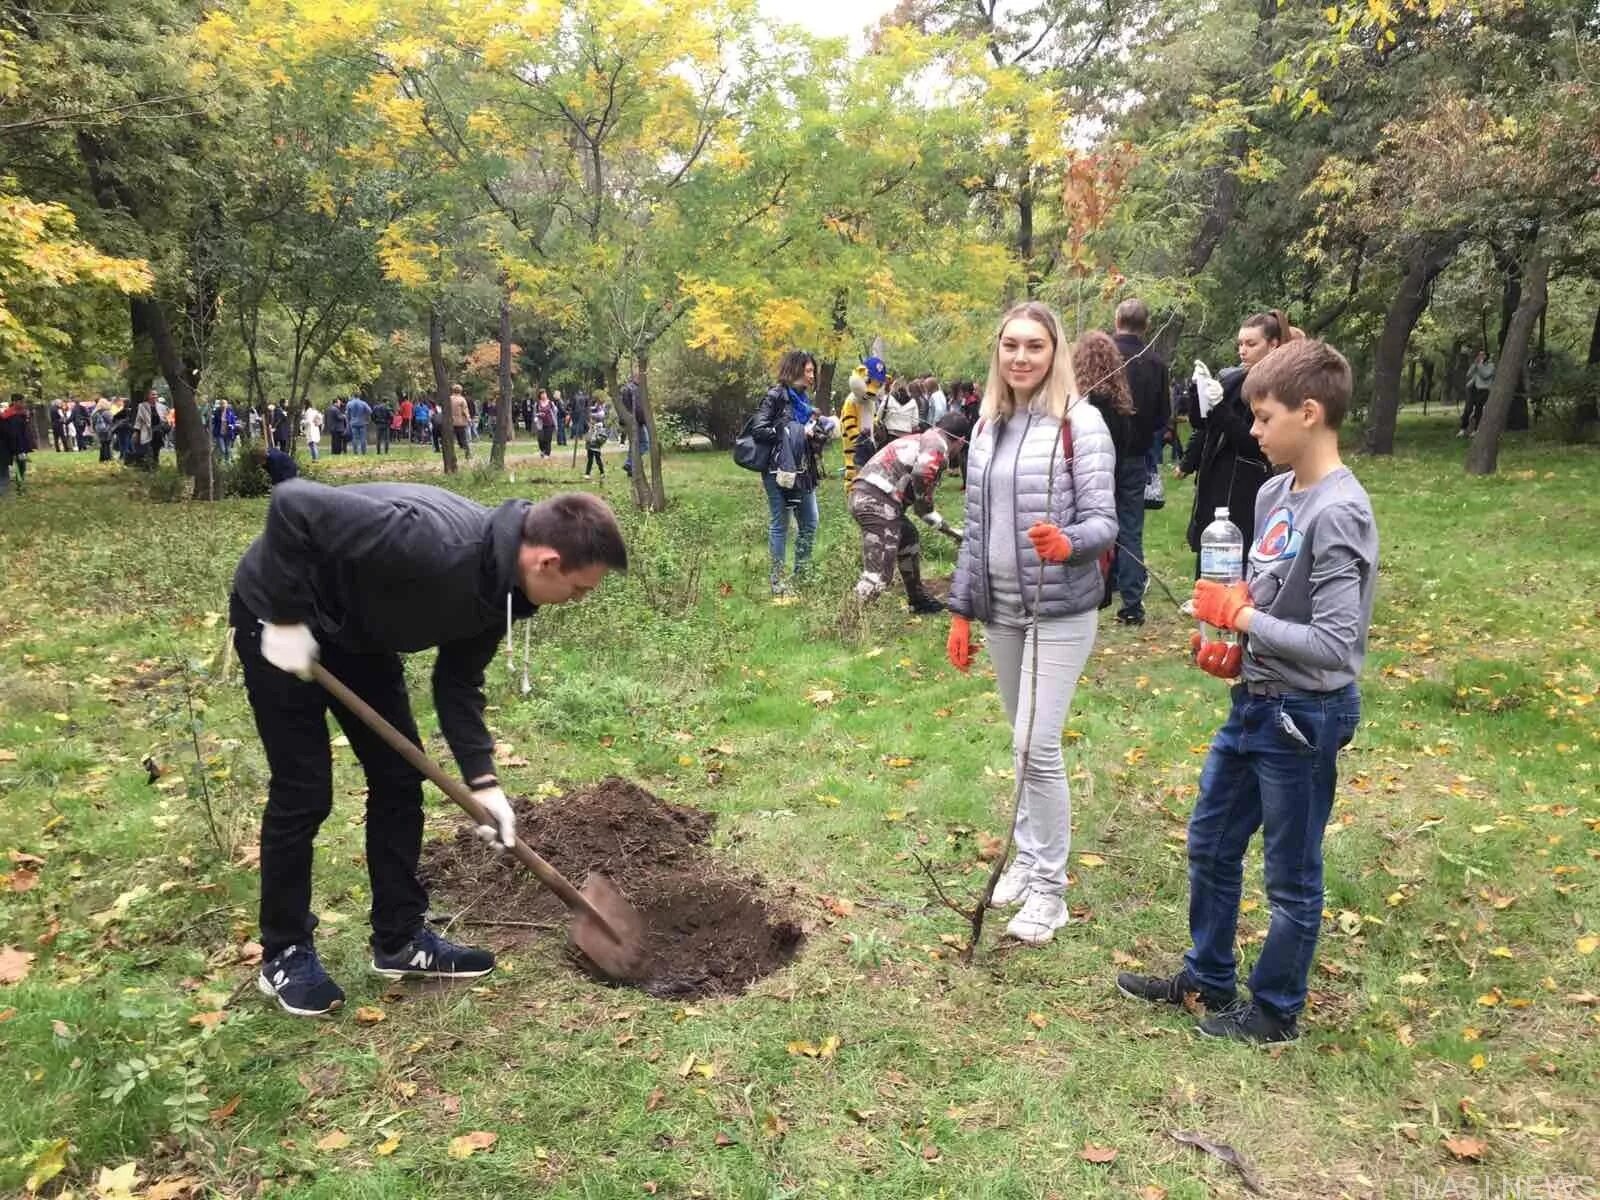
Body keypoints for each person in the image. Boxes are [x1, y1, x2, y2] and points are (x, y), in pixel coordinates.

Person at [232, 484, 628, 1017]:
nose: (577, 601)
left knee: (398, 779)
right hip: (279, 612)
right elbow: (292, 504)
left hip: (358, 634)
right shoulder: (428, 540)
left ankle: (398, 939)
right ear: (547, 561)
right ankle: (285, 952)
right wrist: (284, 618)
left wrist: (484, 783)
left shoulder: (504, 590)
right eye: (579, 590)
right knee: (304, 791)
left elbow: (457, 683)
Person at [1117, 338, 1375, 1045]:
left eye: (1263, 418)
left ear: (1311, 412)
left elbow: (1335, 644)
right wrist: (1231, 644)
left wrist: (1247, 618)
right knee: (1210, 841)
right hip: (1255, 701)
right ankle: (1207, 977)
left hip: (1305, 714)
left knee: (1290, 874)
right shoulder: (1272, 491)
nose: (1252, 431)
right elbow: (1262, 596)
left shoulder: (1341, 511)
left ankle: (1275, 1010)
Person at [944, 301, 1117, 946]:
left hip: (1060, 609)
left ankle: (1050, 888)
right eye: (1011, 345)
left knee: (1034, 745)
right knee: (1019, 743)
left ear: (1055, 352)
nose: (1021, 357)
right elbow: (976, 530)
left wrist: (1066, 542)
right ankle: (1024, 857)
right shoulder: (988, 425)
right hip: (1004, 613)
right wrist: (962, 610)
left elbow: (1106, 522)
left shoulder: (1081, 423)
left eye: (1035, 346)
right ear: (998, 352)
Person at [1176, 310, 1293, 578]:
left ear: (1273, 344)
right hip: (1216, 477)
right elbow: (1202, 424)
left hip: (1248, 484)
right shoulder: (1232, 378)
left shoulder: (1280, 387)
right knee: (1209, 554)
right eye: (1240, 344)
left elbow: (1254, 442)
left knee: (1237, 562)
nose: (1243, 351)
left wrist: (1218, 409)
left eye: (1251, 344)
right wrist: (1199, 392)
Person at [849, 410, 971, 614]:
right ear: (961, 440)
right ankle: (849, 620)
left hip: (869, 496)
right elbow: (922, 476)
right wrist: (949, 528)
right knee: (878, 575)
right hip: (877, 503)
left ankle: (918, 599)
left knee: (909, 537)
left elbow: (922, 510)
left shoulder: (925, 437)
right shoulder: (938, 446)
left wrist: (949, 530)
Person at [750, 350, 833, 596]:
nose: (812, 376)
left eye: (813, 371)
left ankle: (802, 576)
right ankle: (777, 583)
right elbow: (759, 429)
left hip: (803, 470)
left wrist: (819, 430)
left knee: (810, 521)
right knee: (781, 524)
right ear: (795, 370)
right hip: (778, 470)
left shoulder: (803, 401)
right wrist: (795, 431)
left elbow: (804, 435)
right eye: (808, 370)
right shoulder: (776, 396)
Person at [1109, 298, 1171, 625]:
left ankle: (1099, 590)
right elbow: (1163, 415)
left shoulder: (1102, 358)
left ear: (1117, 319)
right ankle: (1131, 601)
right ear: (1145, 325)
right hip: (1135, 455)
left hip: (1101, 452)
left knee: (1093, 519)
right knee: (1130, 526)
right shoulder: (1155, 364)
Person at [839, 356, 888, 486]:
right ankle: (851, 497)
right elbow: (848, 424)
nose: (873, 390)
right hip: (856, 446)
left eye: (878, 385)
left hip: (869, 444)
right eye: (868, 382)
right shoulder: (851, 401)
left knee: (868, 476)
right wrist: (860, 441)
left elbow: (871, 418)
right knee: (853, 473)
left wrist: (877, 424)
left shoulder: (870, 403)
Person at [0, 393, 35, 497]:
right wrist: (18, 450)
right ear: (15, 402)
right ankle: (12, 489)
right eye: (21, 402)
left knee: (20, 466)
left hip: (16, 446)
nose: (23, 404)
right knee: (11, 468)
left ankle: (18, 485)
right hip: (13, 446)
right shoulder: (10, 416)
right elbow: (14, 434)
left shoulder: (20, 414)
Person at [1460, 350, 1494, 437]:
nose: (1480, 356)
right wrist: (1474, 365)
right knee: (1468, 409)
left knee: (1479, 409)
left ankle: (1476, 430)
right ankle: (1463, 429)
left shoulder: (1491, 366)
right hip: (1472, 388)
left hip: (1483, 390)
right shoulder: (1477, 364)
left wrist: (1480, 365)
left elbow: (1485, 375)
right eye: (1479, 355)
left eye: (1483, 355)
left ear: (1487, 356)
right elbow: (1468, 374)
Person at [584, 402, 609, 477]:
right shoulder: (591, 428)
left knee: (598, 460)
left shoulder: (600, 429)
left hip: (596, 447)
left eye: (592, 420)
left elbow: (603, 437)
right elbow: (587, 436)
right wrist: (587, 439)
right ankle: (587, 473)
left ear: (596, 420)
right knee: (589, 461)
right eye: (591, 420)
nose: (591, 421)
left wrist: (597, 439)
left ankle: (602, 472)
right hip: (590, 447)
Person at [212, 398, 239, 464]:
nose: (223, 405)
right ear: (219, 405)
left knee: (228, 450)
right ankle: (220, 461)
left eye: (224, 404)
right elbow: (214, 422)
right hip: (219, 433)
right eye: (221, 404)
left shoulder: (230, 412)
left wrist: (232, 426)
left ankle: (227, 463)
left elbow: (234, 422)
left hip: (228, 433)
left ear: (227, 405)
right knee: (222, 449)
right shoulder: (217, 412)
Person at [449, 384, 471, 457]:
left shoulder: (449, 398)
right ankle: (467, 454)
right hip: (460, 422)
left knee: (451, 440)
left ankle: (451, 455)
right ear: (460, 391)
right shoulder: (462, 399)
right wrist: (468, 419)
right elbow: (465, 410)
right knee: (463, 439)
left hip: (450, 422)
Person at [535, 389, 556, 459]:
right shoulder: (537, 403)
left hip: (550, 423)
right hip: (541, 424)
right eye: (542, 394)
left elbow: (555, 412)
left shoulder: (550, 403)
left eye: (545, 394)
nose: (544, 395)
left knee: (548, 439)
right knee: (540, 439)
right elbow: (535, 413)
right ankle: (542, 450)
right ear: (540, 396)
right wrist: (539, 414)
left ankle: (547, 454)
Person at [93, 399, 115, 463]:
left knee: (102, 444)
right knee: (107, 444)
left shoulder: (96, 413)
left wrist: (95, 430)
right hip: (107, 431)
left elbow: (93, 423)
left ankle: (102, 459)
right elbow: (112, 421)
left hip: (99, 431)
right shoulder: (107, 413)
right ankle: (108, 458)